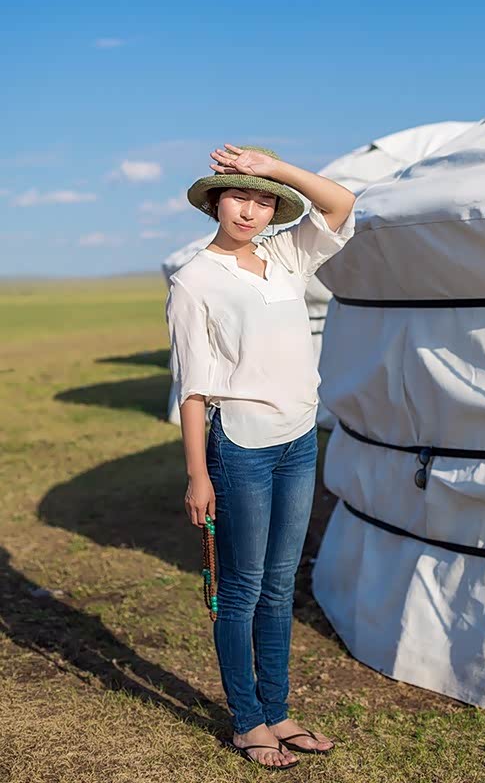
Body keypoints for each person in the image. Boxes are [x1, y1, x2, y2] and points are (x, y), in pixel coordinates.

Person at [165, 143, 356, 770]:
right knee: (242, 587)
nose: (250, 210)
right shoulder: (194, 280)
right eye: (239, 196)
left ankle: (278, 710)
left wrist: (273, 166)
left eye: (262, 200)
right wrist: (198, 476)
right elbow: (193, 388)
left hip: (298, 438)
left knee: (279, 586)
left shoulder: (285, 255)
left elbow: (342, 202)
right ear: (215, 202)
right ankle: (248, 721)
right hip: (240, 444)